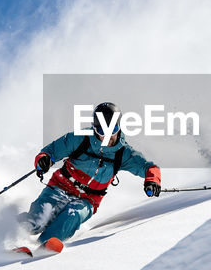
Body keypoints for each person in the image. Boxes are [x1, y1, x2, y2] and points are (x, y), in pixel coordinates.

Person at [16, 101, 162, 254]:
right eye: (101, 130)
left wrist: (152, 180)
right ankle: (9, 238)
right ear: (94, 127)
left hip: (88, 199)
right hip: (60, 187)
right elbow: (49, 152)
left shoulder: (124, 153)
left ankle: (44, 246)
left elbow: (149, 168)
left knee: (71, 216)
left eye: (112, 129)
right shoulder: (79, 138)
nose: (106, 136)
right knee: (36, 220)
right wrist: (43, 160)